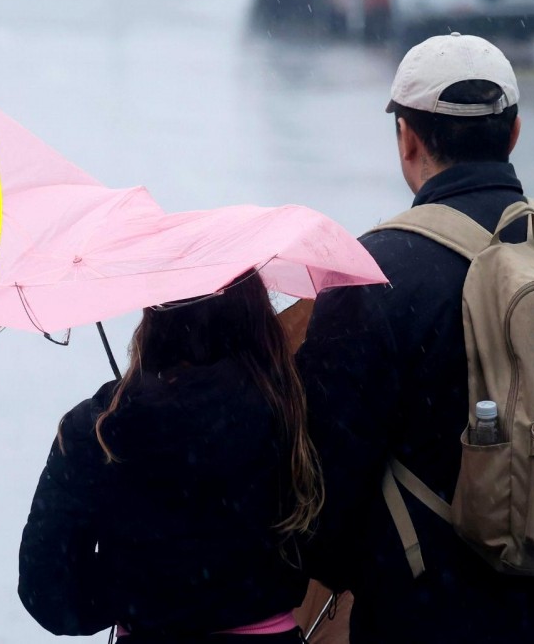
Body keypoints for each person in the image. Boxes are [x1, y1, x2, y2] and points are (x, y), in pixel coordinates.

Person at [296, 33, 534, 642]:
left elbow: (322, 494)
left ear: (407, 138)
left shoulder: (373, 274)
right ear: (514, 133)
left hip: (433, 614)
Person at [18, 271, 322, 643]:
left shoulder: (99, 425)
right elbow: (331, 544)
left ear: (154, 321)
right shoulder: (294, 412)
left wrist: (135, 591)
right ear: (257, 321)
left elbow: (47, 590)